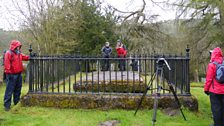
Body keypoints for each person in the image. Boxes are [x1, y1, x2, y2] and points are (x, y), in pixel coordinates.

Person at [3, 40, 30, 111]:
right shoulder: (8, 53)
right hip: (11, 74)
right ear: (14, 46)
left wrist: (30, 56)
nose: (18, 47)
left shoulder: (19, 53)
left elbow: (25, 57)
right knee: (9, 90)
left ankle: (16, 103)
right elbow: (6, 64)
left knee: (18, 89)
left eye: (19, 46)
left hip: (18, 74)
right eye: (17, 46)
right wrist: (8, 73)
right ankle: (7, 106)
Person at [204, 47, 224, 126]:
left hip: (215, 91)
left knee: (216, 110)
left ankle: (217, 124)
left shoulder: (212, 64)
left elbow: (209, 79)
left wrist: (206, 89)